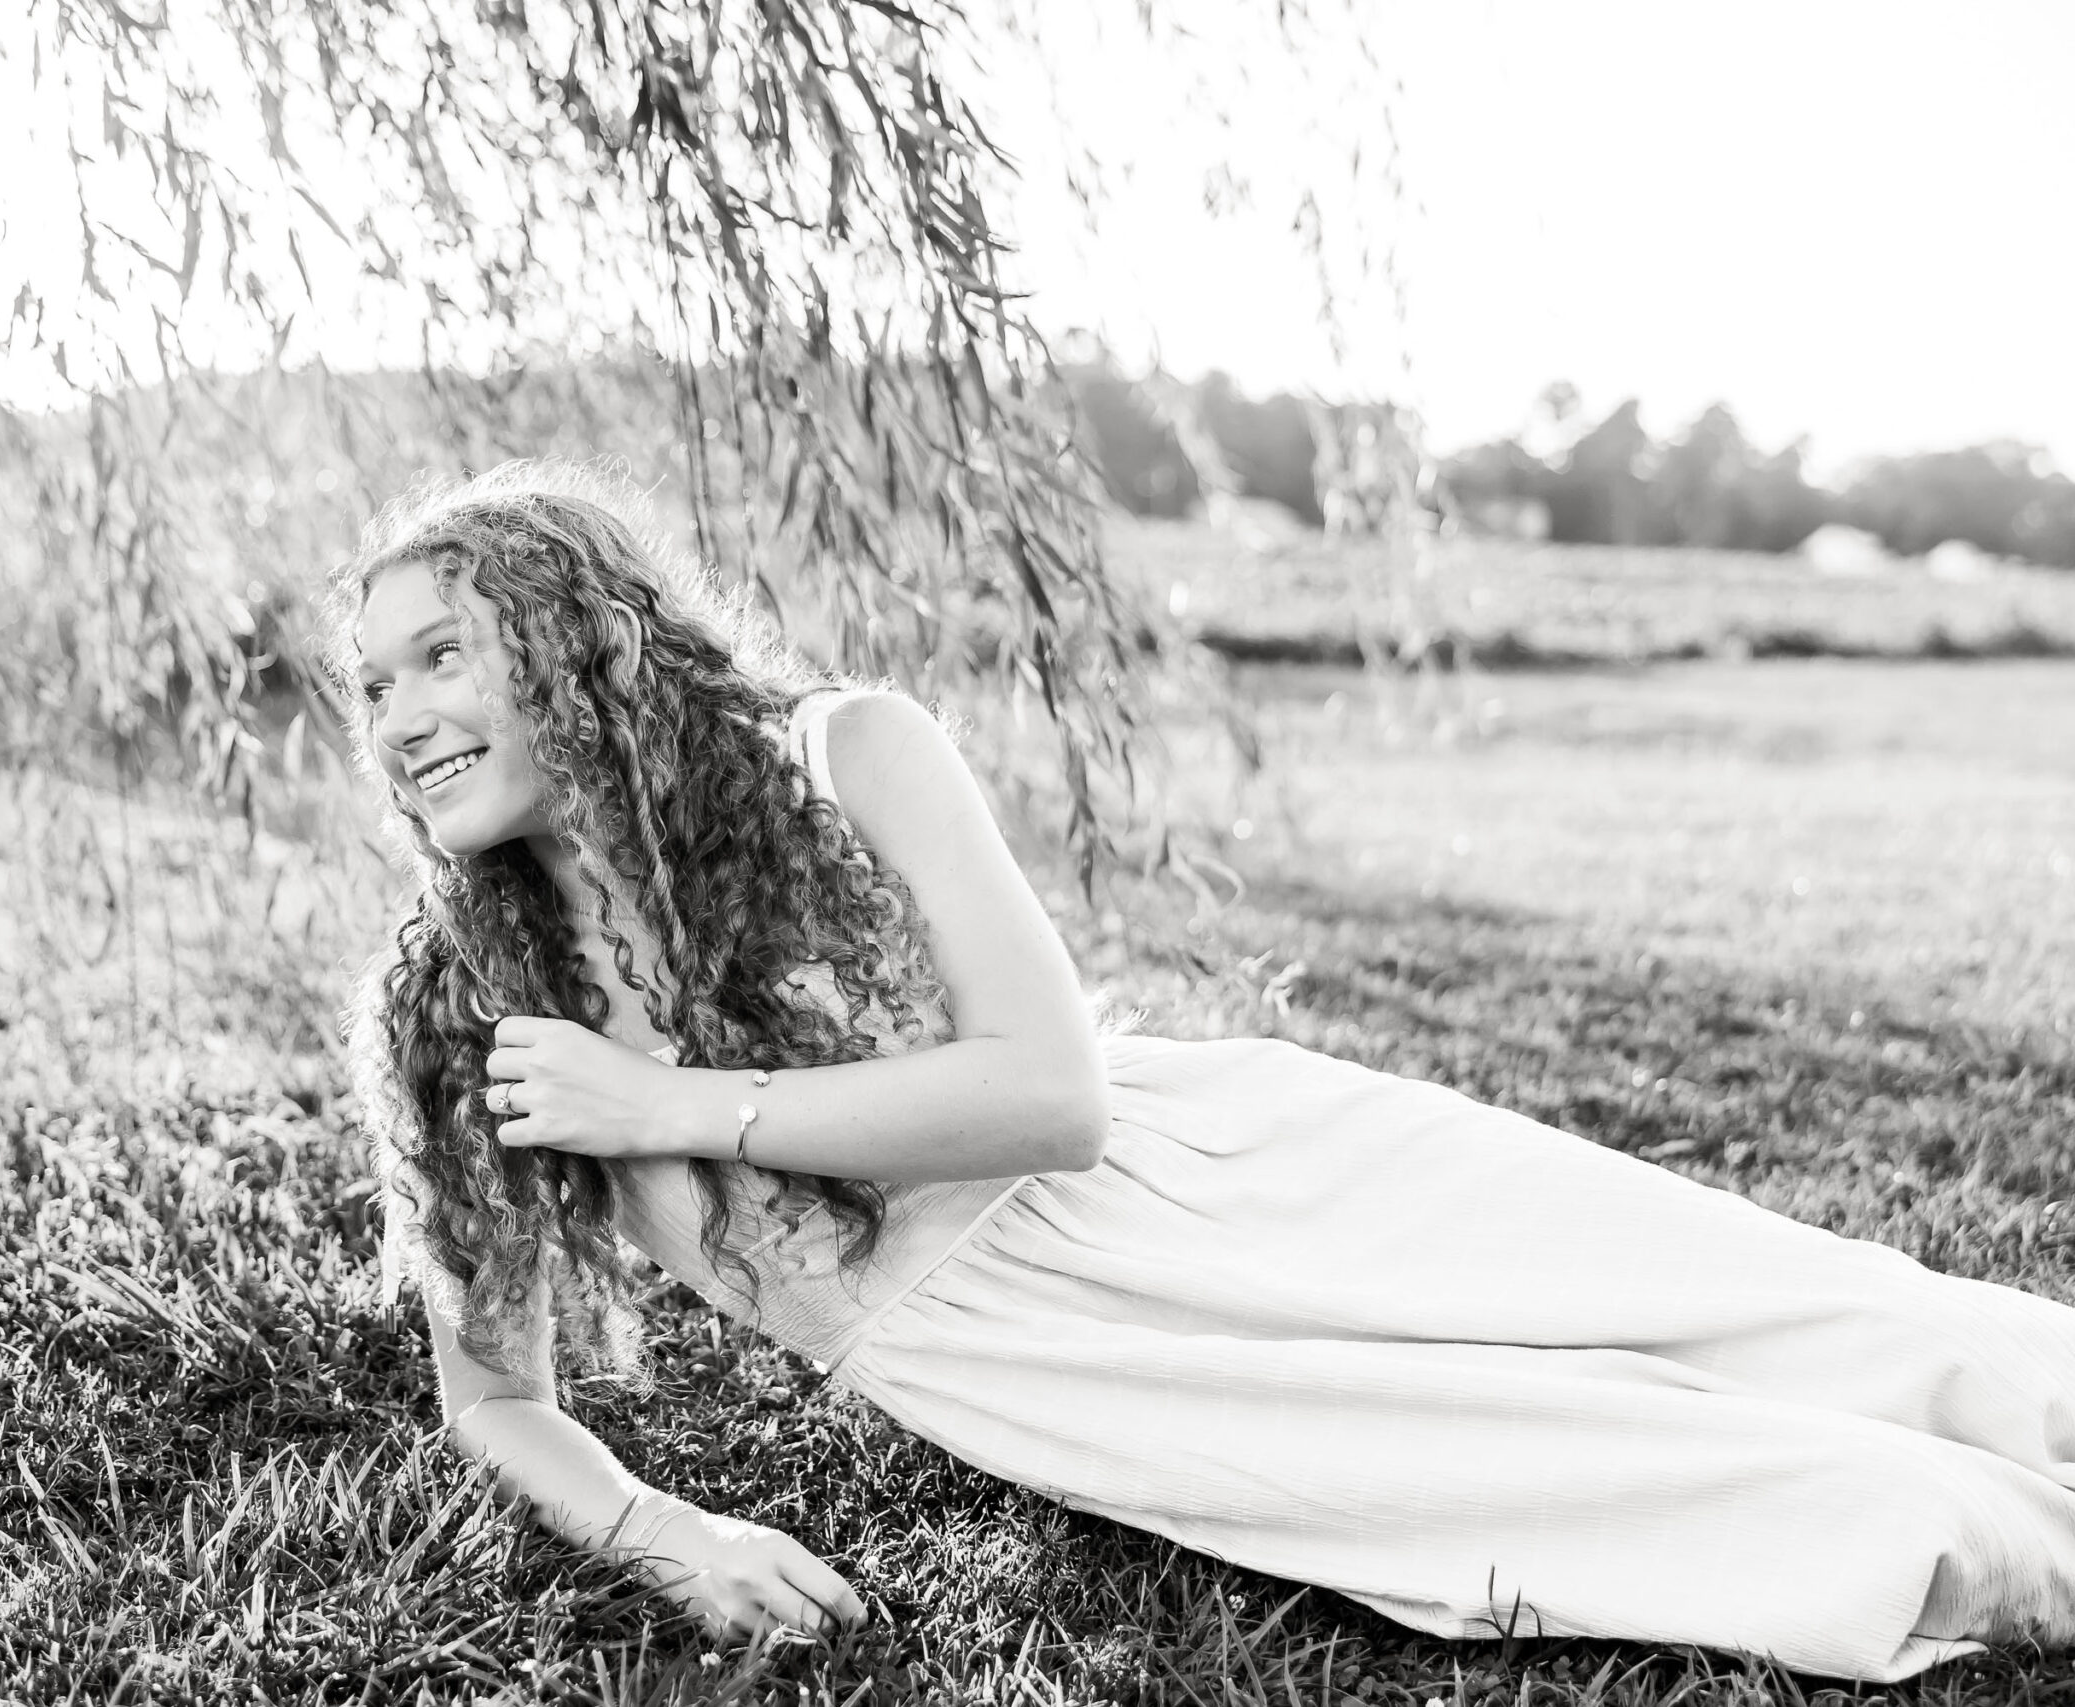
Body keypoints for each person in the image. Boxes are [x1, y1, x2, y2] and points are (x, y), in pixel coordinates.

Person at [337, 460, 2075, 1684]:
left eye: (442, 653)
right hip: (1029, 1359)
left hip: (1209, 1166)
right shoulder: (456, 1007)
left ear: (585, 638)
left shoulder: (842, 755)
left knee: (1789, 1307)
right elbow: (492, 1393)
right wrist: (671, 1532)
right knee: (1725, 1500)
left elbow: (1053, 1096)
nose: (401, 715)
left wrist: (667, 1111)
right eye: (373, 686)